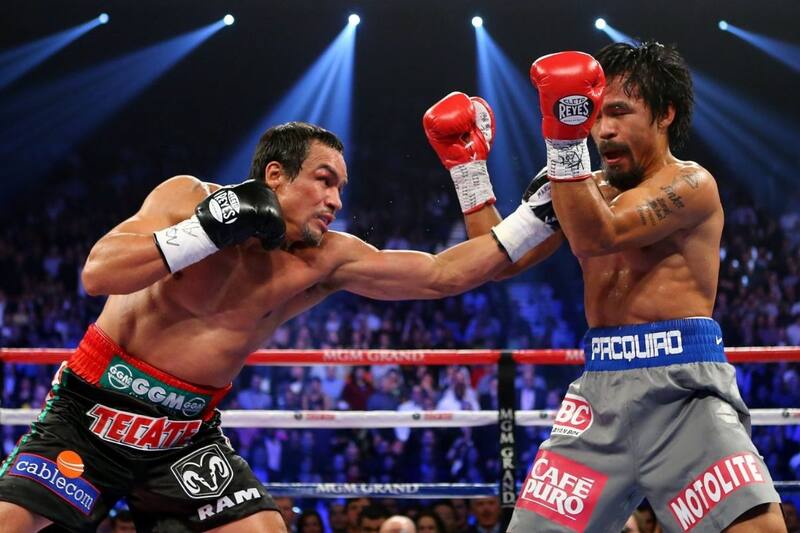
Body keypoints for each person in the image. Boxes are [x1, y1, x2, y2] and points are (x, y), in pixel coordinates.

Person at [0, 121, 557, 532]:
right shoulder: (188, 198)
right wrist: (206, 231)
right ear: (275, 175)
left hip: (183, 438)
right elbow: (98, 273)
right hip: (90, 417)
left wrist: (534, 218)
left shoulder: (326, 257)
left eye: (341, 188)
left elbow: (441, 275)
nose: (335, 201)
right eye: (324, 181)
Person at [424, 42, 786, 532]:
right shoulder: (579, 186)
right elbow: (500, 259)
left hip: (683, 392)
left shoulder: (691, 185)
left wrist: (563, 142)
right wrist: (469, 172)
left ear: (665, 114)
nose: (602, 130)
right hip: (598, 396)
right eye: (592, 115)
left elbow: (600, 235)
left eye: (618, 112)